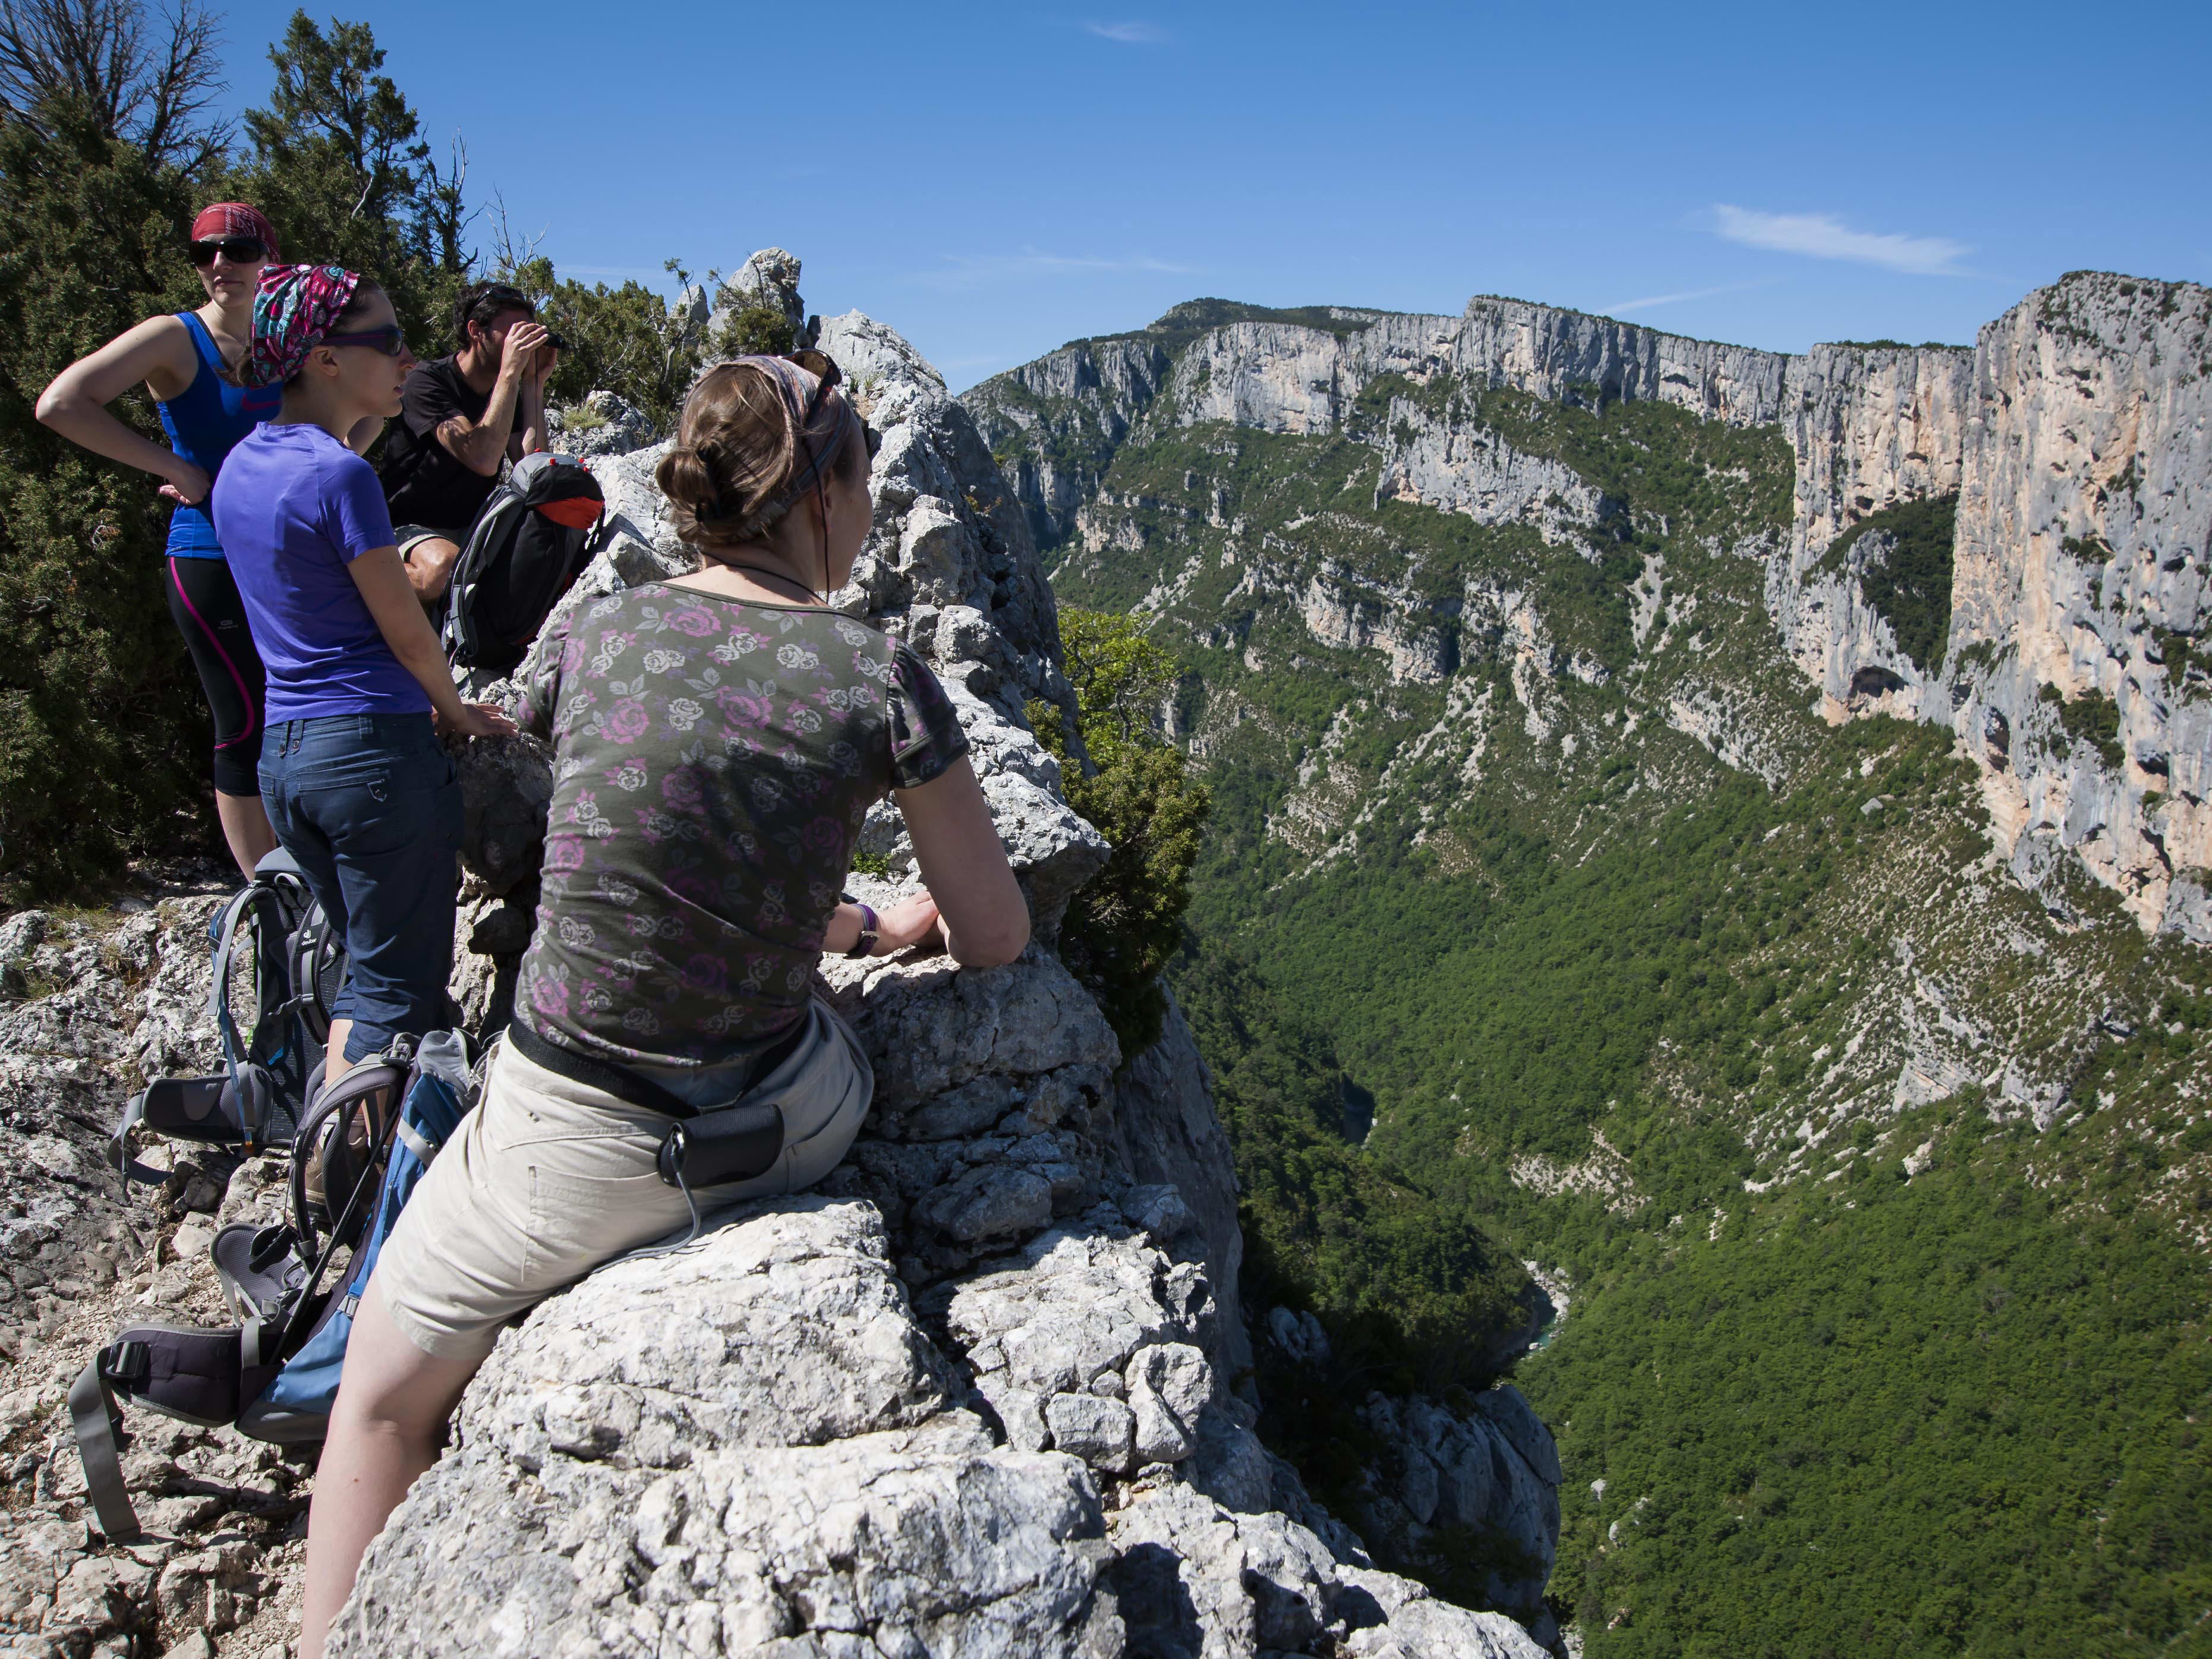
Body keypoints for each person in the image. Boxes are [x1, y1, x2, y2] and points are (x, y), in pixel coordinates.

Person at [295, 351, 1031, 1657]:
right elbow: (994, 937)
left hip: (559, 1134)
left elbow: (579, 778)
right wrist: (881, 923)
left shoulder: (598, 628)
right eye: (861, 481)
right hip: (774, 1121)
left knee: (377, 1406)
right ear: (817, 496)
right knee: (833, 1045)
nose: (868, 511)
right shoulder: (877, 676)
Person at [210, 265, 515, 1090]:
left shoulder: (243, 466)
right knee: (394, 999)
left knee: (368, 973)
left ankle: (338, 1158)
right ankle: (335, 1183)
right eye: (384, 341)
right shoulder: (340, 478)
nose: (407, 358)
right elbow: (408, 631)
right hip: (373, 758)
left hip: (287, 763)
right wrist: (456, 711)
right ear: (323, 359)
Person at [34, 202, 294, 878]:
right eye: (204, 253)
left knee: (300, 708)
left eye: (236, 249)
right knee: (244, 719)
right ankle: (267, 889)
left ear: (267, 255)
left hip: (288, 559)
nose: (219, 264)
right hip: (208, 555)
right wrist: (175, 467)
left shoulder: (285, 340)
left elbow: (351, 417)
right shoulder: (174, 338)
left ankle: (307, 863)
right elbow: (61, 403)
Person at [374, 280, 557, 603]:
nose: (523, 343)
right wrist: (511, 372)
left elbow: (534, 464)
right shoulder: (426, 382)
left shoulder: (508, 390)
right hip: (404, 528)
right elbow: (483, 458)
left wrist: (534, 383)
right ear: (476, 331)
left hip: (470, 529)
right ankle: (354, 576)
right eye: (514, 332)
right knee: (442, 568)